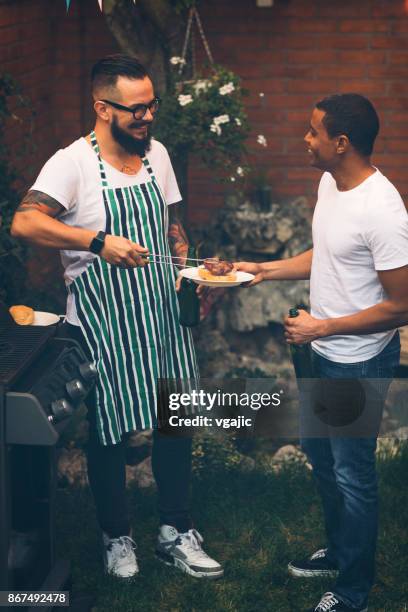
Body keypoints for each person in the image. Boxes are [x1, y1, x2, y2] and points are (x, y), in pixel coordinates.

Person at [10, 54, 223, 580]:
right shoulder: (72, 164)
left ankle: (176, 530)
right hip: (103, 320)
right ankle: (116, 536)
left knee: (175, 421)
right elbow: (23, 222)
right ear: (102, 108)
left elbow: (173, 226)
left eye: (152, 106)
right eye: (136, 110)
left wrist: (187, 273)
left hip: (160, 313)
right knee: (108, 427)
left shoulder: (158, 156)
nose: (148, 117)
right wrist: (96, 241)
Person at [236, 93, 408, 612]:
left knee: (354, 474)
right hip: (322, 351)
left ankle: (353, 590)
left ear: (342, 142)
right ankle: (338, 551)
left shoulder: (384, 211)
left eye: (313, 133)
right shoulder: (330, 183)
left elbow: (402, 306)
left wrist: (322, 328)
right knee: (321, 459)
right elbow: (328, 253)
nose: (305, 141)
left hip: (357, 359)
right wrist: (263, 269)